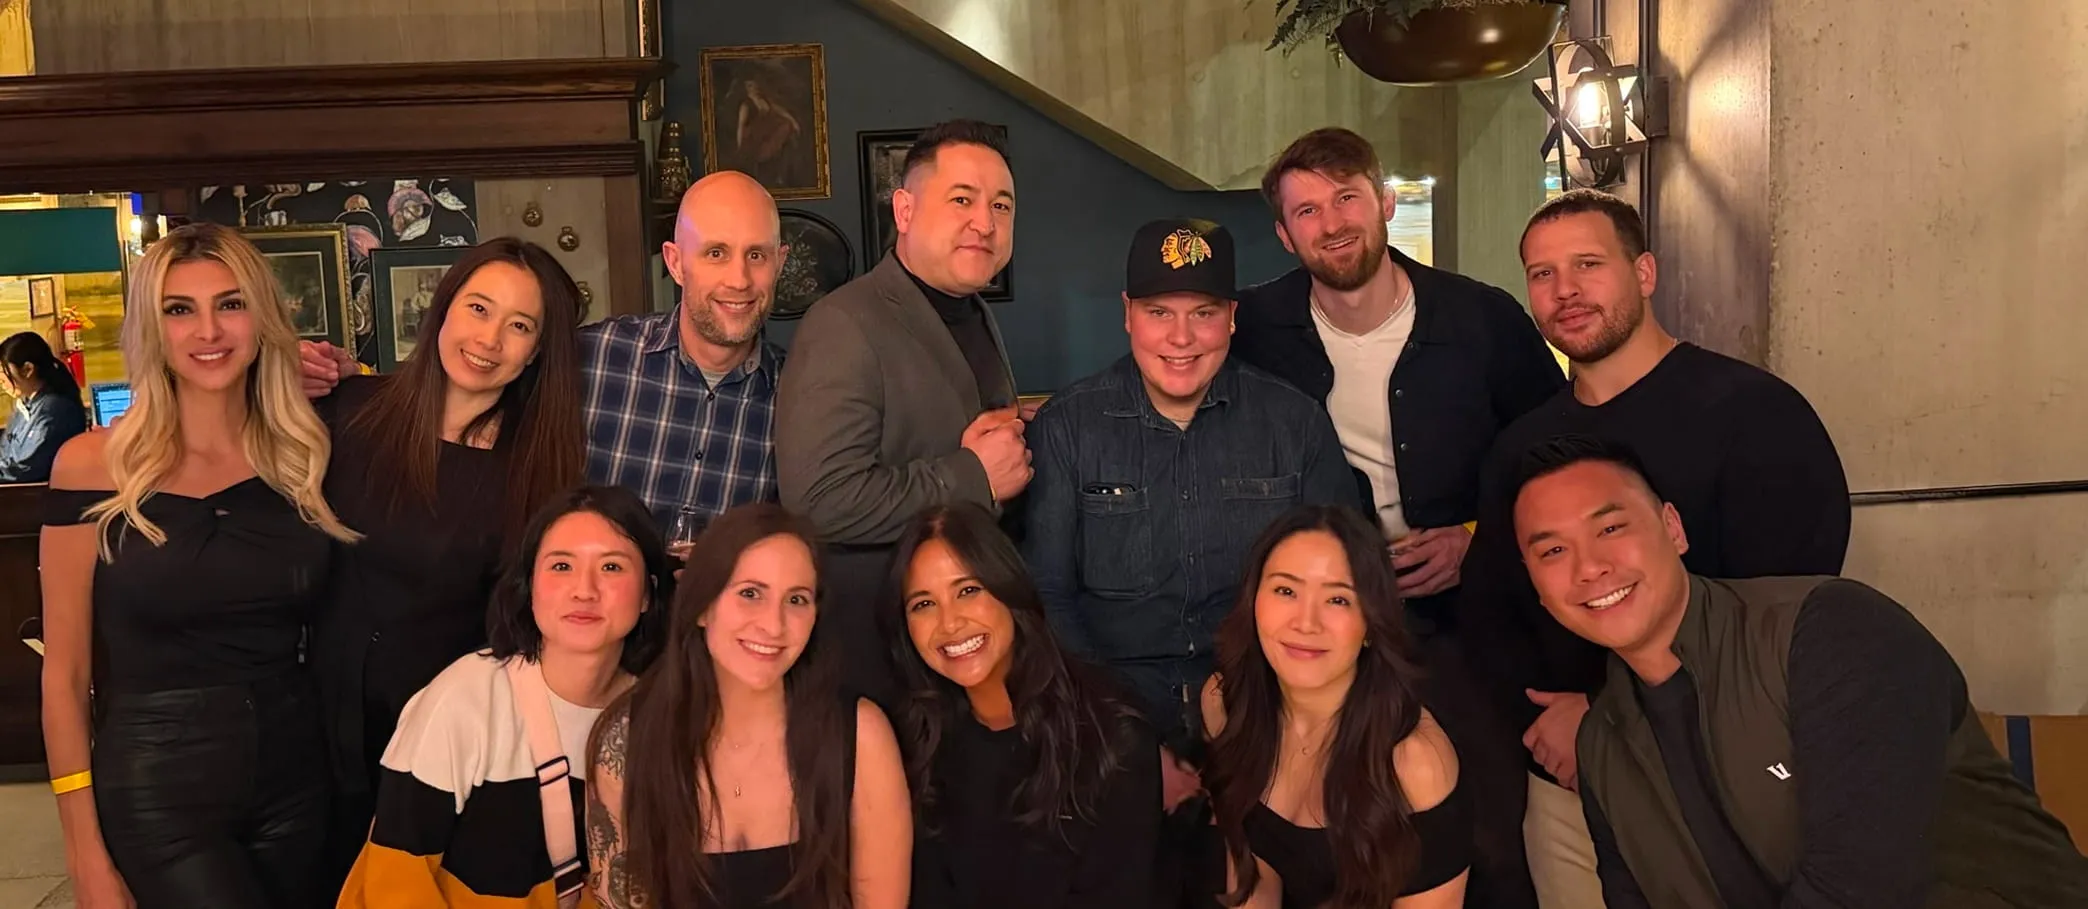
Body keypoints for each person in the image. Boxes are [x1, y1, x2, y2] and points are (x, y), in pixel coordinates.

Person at [1457, 188, 1852, 909]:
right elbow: (1490, 614)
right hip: (1569, 779)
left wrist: (1609, 720)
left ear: (1644, 273)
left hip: (1739, 767)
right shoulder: (1518, 447)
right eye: (1542, 275)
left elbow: (1786, 609)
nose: (1564, 290)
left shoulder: (1756, 414)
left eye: (1586, 264)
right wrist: (1548, 726)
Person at [1507, 434, 2088, 908]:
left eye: (1611, 528)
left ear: (1674, 529)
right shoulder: (1604, 746)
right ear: (1536, 586)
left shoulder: (1827, 631)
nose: (1590, 568)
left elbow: (1861, 886)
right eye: (1553, 551)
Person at [39, 222, 360, 908]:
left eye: (231, 303)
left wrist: (354, 377)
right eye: (179, 309)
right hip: (158, 790)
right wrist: (83, 852)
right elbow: (64, 675)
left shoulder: (304, 456)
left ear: (262, 319)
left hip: (301, 782)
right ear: (151, 328)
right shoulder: (90, 465)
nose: (208, 330)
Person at [311, 236, 589, 895]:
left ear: (538, 351)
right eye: (478, 308)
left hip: (437, 753)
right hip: (306, 730)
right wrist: (274, 366)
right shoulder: (345, 413)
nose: (489, 338)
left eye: (519, 325)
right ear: (443, 310)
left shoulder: (537, 474)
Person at [1025, 217, 1359, 753]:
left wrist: (1279, 720)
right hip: (1110, 716)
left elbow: (1346, 581)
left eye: (1203, 314)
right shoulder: (1067, 427)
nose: (1181, 338)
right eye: (1159, 313)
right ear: (1128, 314)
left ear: (1231, 318)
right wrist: (1124, 739)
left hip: (1268, 710)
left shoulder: (1294, 422)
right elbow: (1047, 595)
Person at [302, 171, 789, 532]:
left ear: (779, 262)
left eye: (757, 255)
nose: (739, 280)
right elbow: (470, 374)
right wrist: (355, 378)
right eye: (716, 253)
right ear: (676, 262)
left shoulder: (803, 397)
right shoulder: (587, 357)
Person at [1232, 126, 1564, 633]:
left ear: (1385, 202)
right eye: (1307, 211)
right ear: (1284, 236)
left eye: (1347, 197)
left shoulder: (1482, 317)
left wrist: (1481, 536)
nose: (1332, 224)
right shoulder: (1252, 326)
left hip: (1475, 608)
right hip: (1328, 613)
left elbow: (1557, 451)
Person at [775, 118, 1026, 709]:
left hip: (964, 654)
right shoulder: (844, 322)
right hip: (881, 658)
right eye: (962, 199)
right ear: (906, 211)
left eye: (1001, 205)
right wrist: (975, 476)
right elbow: (822, 500)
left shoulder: (969, 310)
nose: (985, 222)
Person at [336, 485, 671, 907]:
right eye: (562, 566)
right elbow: (394, 885)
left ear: (647, 594)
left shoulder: (659, 719)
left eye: (612, 567)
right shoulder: (464, 701)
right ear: (529, 585)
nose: (584, 590)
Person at [584, 503, 912, 908]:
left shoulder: (861, 735)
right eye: (750, 594)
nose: (773, 625)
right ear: (702, 605)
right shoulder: (627, 737)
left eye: (797, 600)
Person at [885, 502, 1163, 909]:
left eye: (968, 590)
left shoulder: (1113, 738)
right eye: (923, 604)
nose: (949, 624)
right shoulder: (915, 742)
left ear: (1010, 590)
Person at [1202, 505, 1469, 909]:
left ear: (1371, 621)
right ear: (1253, 599)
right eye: (1286, 591)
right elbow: (1250, 872)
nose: (1306, 623)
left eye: (1338, 600)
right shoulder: (1226, 702)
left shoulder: (1414, 763)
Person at [0, 330, 89, 483]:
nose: (1, 380)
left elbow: (27, 469)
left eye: (3, 371)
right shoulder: (26, 404)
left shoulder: (55, 410)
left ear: (28, 369)